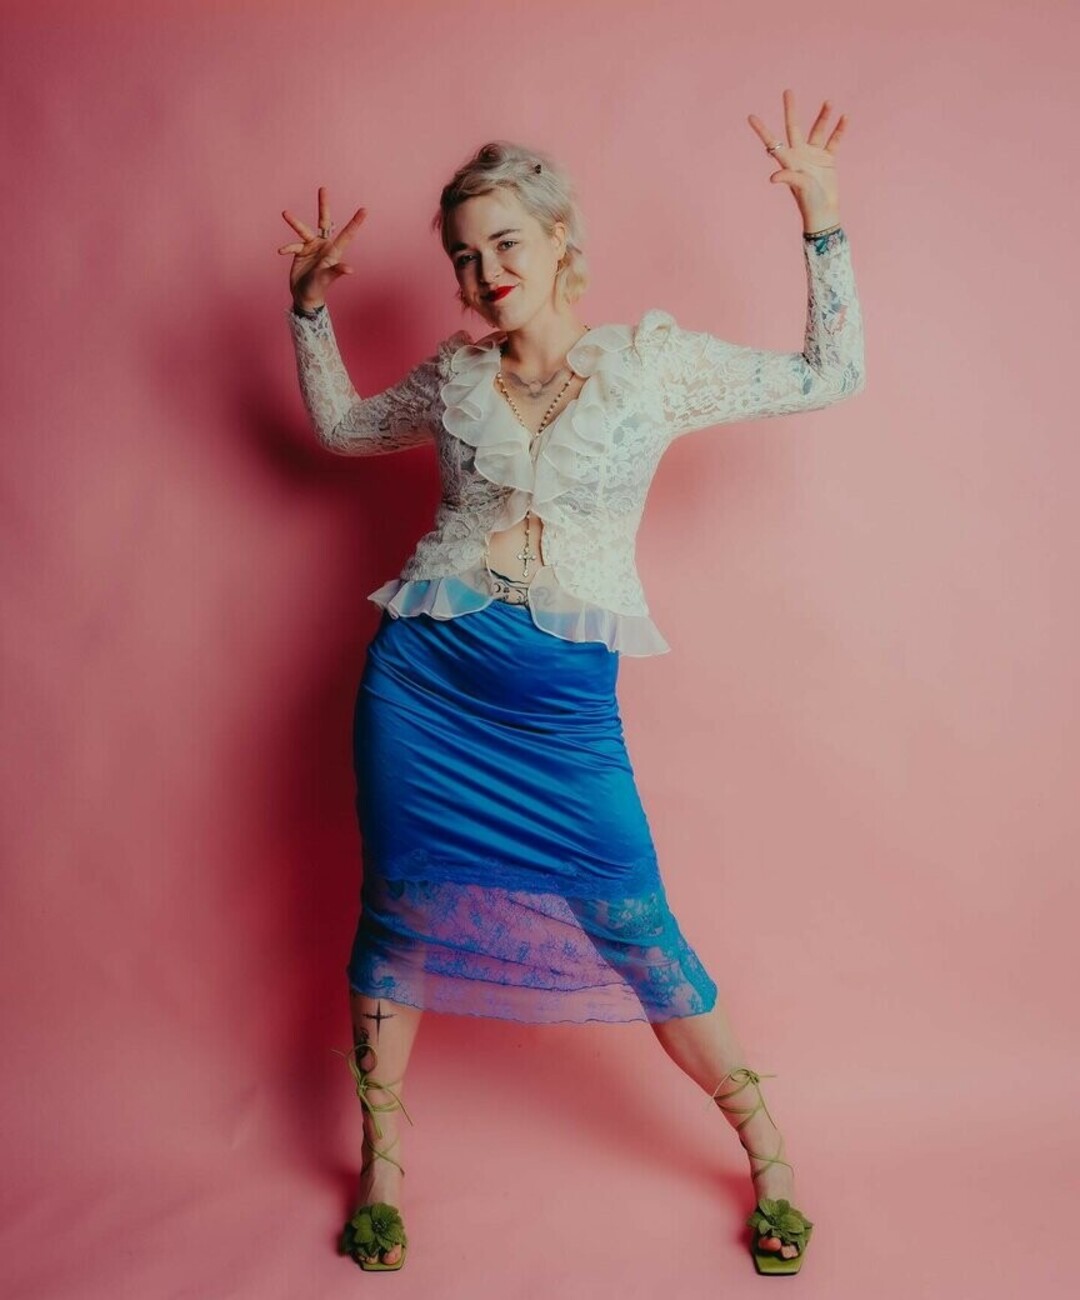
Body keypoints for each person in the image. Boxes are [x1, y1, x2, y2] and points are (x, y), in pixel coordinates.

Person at [277, 88, 865, 1276]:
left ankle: (768, 1148)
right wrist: (306, 310)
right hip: (421, 689)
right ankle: (383, 1165)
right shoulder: (453, 379)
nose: (485, 272)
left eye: (505, 242)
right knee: (398, 913)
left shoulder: (652, 366)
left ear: (559, 242)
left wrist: (821, 221)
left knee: (635, 923)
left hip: (558, 708)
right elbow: (341, 427)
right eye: (463, 256)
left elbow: (829, 372)